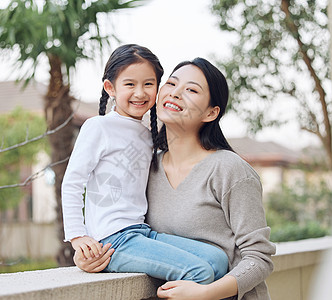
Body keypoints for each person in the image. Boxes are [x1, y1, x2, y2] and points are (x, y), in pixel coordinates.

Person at [74, 57, 276, 300]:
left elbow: (259, 258)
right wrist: (87, 252)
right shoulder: (146, 166)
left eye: (191, 90)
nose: (176, 93)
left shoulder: (230, 170)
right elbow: (119, 226)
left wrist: (206, 292)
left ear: (211, 112)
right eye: (171, 84)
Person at [61, 44, 229, 285]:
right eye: (130, 84)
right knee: (199, 273)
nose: (139, 93)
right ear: (111, 88)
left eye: (148, 84)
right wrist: (78, 237)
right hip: (113, 240)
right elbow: (73, 183)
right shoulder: (98, 127)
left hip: (141, 232)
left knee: (217, 260)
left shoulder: (149, 135)